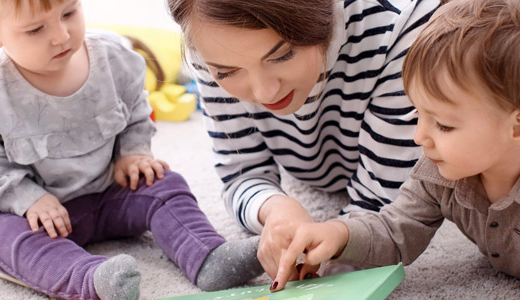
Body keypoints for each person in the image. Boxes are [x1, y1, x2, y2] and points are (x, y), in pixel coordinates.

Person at [271, 0, 520, 298]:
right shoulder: (438, 171)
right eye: (418, 114)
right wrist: (338, 234)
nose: (420, 137)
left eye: (443, 124)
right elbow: (394, 230)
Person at [0, 0, 263, 299]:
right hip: (39, 215)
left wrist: (133, 153)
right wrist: (28, 199)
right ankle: (93, 280)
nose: (61, 35)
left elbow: (136, 110)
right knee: (0, 234)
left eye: (69, 12)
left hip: (113, 190)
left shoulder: (112, 56)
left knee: (166, 182)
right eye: (35, 30)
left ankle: (207, 256)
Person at [166, 0, 443, 279]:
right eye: (226, 72)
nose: (265, 93)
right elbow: (240, 173)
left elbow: (385, 206)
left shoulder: (398, 27)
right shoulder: (209, 40)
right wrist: (274, 209)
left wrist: (337, 249)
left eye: (283, 55)